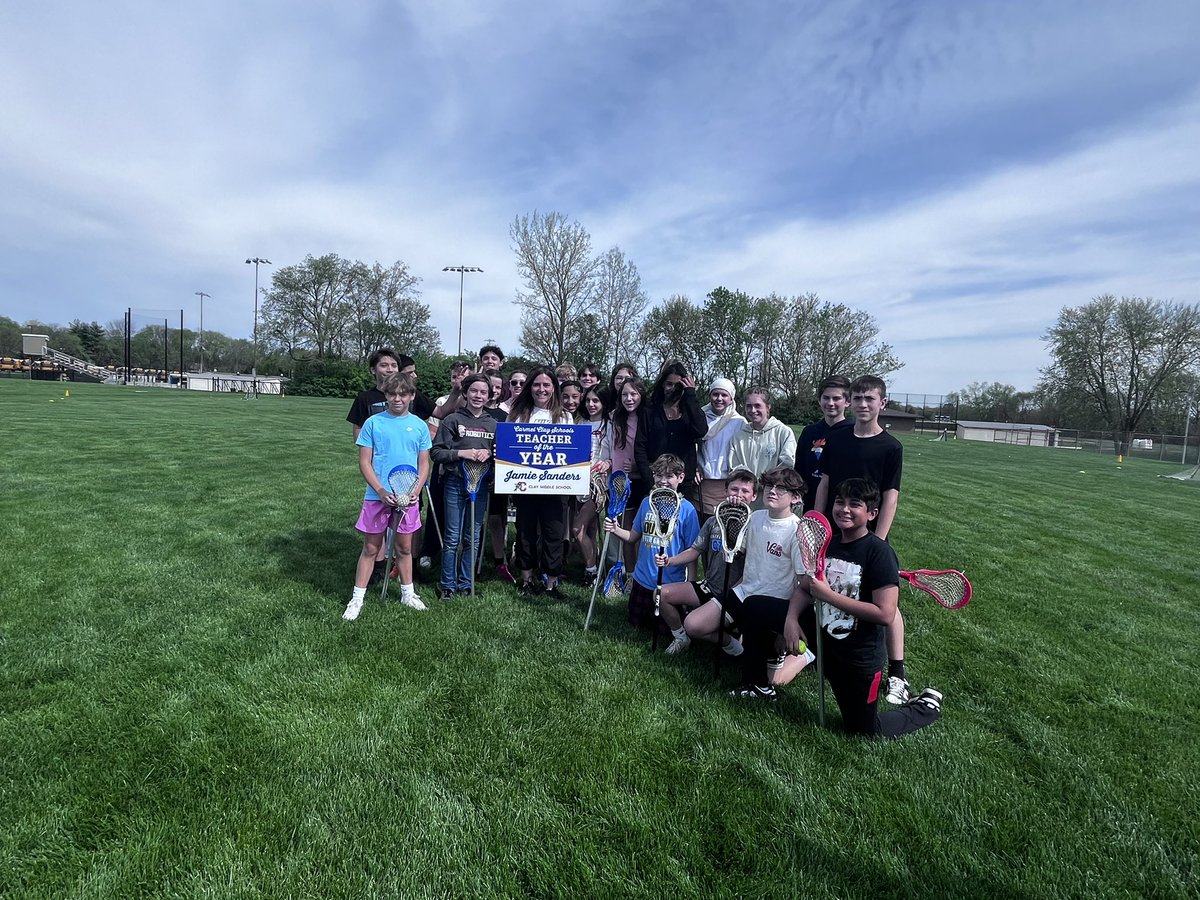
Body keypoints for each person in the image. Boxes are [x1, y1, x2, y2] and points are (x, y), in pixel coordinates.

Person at [737, 478, 943, 738]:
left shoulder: (878, 554)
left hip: (857, 654)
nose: (844, 509)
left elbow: (885, 614)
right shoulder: (828, 544)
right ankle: (757, 684)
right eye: (839, 502)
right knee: (755, 606)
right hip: (821, 634)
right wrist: (791, 620)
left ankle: (926, 706)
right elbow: (803, 588)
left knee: (863, 730)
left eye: (854, 505)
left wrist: (829, 596)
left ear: (872, 513)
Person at [812, 374, 909, 703]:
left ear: (882, 403)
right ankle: (829, 653)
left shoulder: (891, 447)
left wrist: (877, 542)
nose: (863, 405)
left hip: (869, 535)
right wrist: (818, 523)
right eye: (858, 399)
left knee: (884, 604)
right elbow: (825, 483)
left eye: (870, 399)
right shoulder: (837, 439)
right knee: (837, 589)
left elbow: (890, 496)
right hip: (836, 529)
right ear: (850, 403)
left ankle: (897, 672)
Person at [344, 372, 431, 621]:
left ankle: (408, 593)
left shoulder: (419, 426)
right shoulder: (373, 423)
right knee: (371, 548)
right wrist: (381, 491)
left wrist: (415, 491)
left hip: (408, 498)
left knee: (404, 548)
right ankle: (357, 598)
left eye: (403, 394)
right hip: (377, 496)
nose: (397, 398)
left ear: (412, 396)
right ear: (385, 395)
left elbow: (424, 464)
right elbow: (365, 462)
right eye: (392, 394)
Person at [655, 468, 758, 655]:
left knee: (693, 625)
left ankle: (731, 644)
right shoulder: (713, 521)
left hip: (734, 595)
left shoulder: (755, 527)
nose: (739, 495)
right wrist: (670, 560)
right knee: (661, 593)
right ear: (726, 491)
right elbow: (695, 550)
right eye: (734, 489)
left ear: (754, 496)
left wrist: (734, 594)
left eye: (745, 491)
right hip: (709, 585)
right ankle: (680, 637)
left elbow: (754, 570)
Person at [603, 453, 700, 630]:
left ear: (681, 477)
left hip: (669, 583)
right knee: (636, 624)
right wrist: (615, 529)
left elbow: (692, 551)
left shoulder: (687, 510)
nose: (663, 480)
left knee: (665, 630)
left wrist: (690, 585)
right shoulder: (646, 503)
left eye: (669, 476)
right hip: (642, 581)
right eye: (659, 475)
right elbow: (633, 537)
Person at [508, 366, 573, 598]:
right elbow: (509, 448)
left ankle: (551, 583)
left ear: (554, 388)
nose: (541, 389)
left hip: (556, 486)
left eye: (546, 385)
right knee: (525, 531)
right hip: (524, 484)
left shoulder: (565, 416)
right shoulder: (518, 414)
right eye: (537, 384)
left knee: (554, 533)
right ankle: (526, 580)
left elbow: (570, 451)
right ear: (530, 387)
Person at [430, 374, 497, 600]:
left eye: (483, 392)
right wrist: (461, 453)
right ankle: (447, 584)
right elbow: (437, 452)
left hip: (480, 487)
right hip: (455, 483)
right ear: (466, 392)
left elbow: (501, 457)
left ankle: (466, 583)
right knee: (452, 537)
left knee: (473, 537)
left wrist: (490, 454)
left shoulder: (493, 424)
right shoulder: (452, 420)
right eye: (474, 391)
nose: (478, 396)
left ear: (489, 396)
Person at [637, 360, 707, 506]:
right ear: (662, 384)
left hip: (683, 482)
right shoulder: (649, 411)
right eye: (669, 384)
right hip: (655, 481)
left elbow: (701, 430)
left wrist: (690, 394)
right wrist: (651, 481)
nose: (672, 389)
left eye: (678, 385)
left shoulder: (690, 410)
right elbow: (640, 447)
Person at [600, 376, 649, 571]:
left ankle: (644, 573)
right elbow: (610, 445)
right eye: (625, 395)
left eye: (633, 394)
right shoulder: (614, 417)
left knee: (644, 533)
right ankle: (629, 574)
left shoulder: (647, 416)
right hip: (620, 481)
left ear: (641, 395)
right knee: (626, 531)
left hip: (642, 480)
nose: (629, 398)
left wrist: (639, 468)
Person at [795, 375, 852, 512]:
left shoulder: (853, 432)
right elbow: (799, 471)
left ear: (847, 401)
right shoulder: (809, 432)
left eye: (836, 398)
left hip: (843, 507)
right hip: (811, 504)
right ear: (819, 400)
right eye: (826, 398)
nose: (830, 403)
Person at [726, 388, 797, 497]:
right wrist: (751, 484)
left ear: (768, 407)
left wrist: (766, 481)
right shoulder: (738, 436)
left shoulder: (782, 432)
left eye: (757, 405)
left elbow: (787, 464)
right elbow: (734, 466)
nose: (753, 410)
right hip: (746, 497)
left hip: (772, 495)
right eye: (748, 406)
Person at [574, 385, 611, 584]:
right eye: (588, 400)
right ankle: (592, 567)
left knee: (577, 529)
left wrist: (609, 463)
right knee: (589, 530)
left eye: (595, 401)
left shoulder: (610, 425)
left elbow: (615, 453)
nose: (591, 404)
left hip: (599, 485)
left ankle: (592, 571)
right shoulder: (580, 424)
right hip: (577, 481)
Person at [696, 377, 746, 518]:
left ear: (731, 398)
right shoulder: (700, 416)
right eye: (715, 394)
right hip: (702, 483)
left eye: (724, 395)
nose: (719, 398)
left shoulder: (739, 422)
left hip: (726, 483)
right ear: (710, 396)